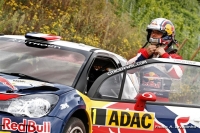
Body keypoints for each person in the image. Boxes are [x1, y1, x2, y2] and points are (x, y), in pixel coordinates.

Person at [127, 18, 183, 102]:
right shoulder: (143, 53)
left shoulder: (174, 57)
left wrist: (164, 55)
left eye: (158, 33)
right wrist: (144, 55)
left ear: (167, 35)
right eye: (152, 32)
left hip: (161, 103)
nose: (153, 35)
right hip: (140, 100)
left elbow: (177, 75)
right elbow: (128, 69)